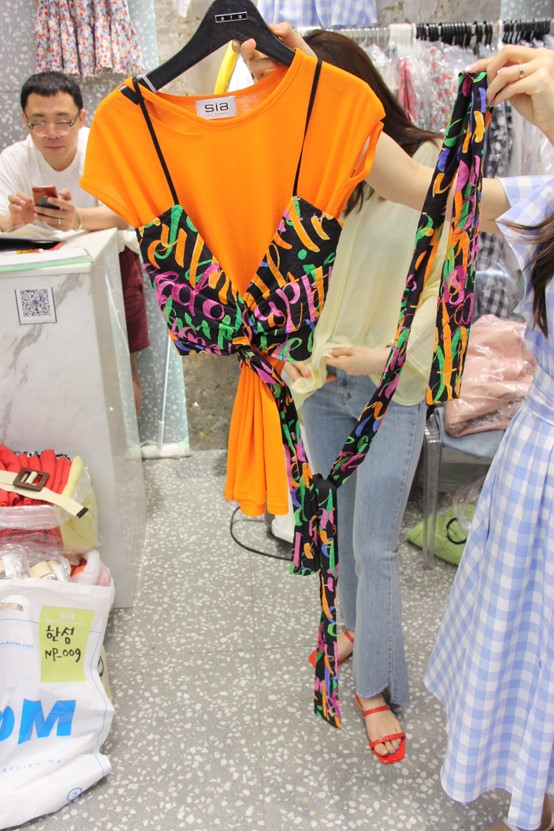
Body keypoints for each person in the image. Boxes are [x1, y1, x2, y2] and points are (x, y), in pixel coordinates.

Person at [244, 28, 445, 764]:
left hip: (394, 383)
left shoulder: (424, 163)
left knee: (374, 543)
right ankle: (354, 629)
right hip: (323, 384)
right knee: (341, 527)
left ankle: (374, 688)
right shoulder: (311, 172)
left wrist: (387, 357)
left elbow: (443, 286)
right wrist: (298, 355)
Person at [423, 44, 554, 831]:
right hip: (536, 456)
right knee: (528, 644)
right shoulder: (547, 193)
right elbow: (432, 192)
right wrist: (322, 89)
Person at [0, 71, 149, 414]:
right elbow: (2, 219)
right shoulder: (13, 159)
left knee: (120, 369)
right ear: (24, 120)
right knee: (48, 365)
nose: (52, 133)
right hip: (42, 274)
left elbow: (129, 213)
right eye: (39, 122)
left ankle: (128, 446)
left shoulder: (100, 148)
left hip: (113, 264)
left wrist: (77, 218)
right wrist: (15, 221)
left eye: (63, 121)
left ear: (81, 118)